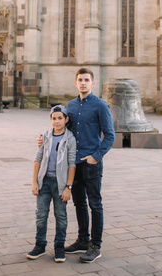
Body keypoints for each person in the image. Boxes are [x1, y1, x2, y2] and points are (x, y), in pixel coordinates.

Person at [37, 68, 115, 263]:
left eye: (87, 80)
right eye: (80, 80)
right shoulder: (70, 105)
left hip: (91, 163)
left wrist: (96, 156)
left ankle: (95, 246)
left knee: (95, 204)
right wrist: (44, 139)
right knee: (79, 203)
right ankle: (82, 240)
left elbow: (110, 135)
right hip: (74, 164)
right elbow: (62, 129)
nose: (83, 83)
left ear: (92, 83)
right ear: (75, 83)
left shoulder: (100, 106)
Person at [27, 105, 76, 263]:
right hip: (45, 182)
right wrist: (34, 182)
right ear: (50, 119)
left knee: (61, 216)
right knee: (41, 215)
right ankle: (40, 245)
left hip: (60, 184)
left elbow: (71, 164)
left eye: (60, 118)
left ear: (66, 119)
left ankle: (59, 246)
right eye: (54, 118)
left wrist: (68, 187)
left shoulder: (70, 139)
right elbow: (38, 159)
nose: (57, 121)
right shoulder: (46, 136)